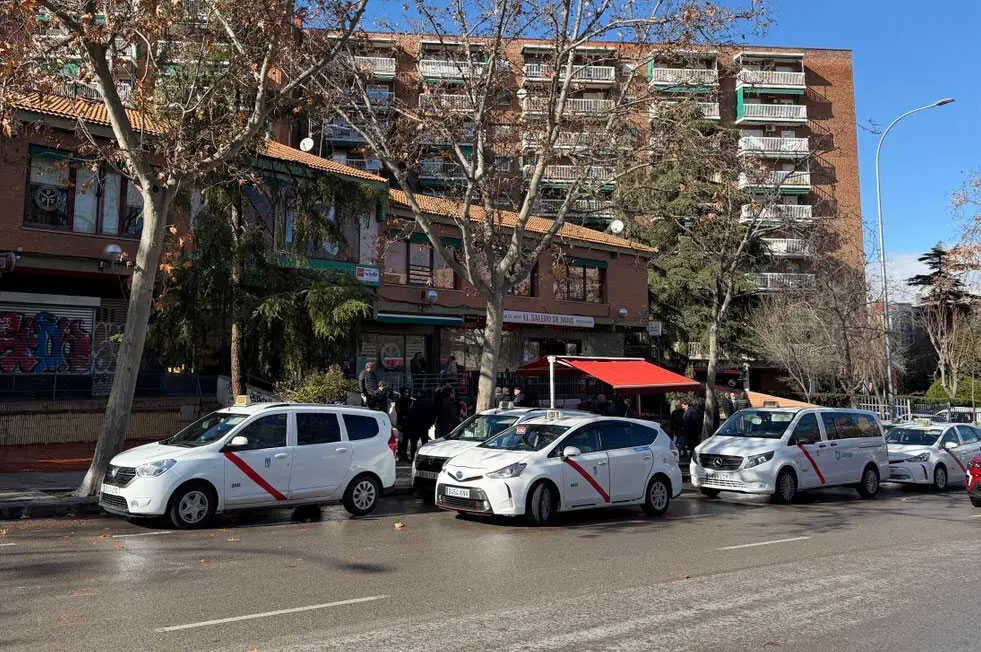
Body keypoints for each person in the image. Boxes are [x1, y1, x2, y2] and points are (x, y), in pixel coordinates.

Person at [406, 390, 437, 460]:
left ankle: (412, 457)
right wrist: (430, 423)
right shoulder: (429, 403)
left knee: (413, 443)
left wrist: (409, 425)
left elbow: (410, 414)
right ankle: (424, 458)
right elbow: (433, 414)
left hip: (415, 426)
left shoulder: (414, 403)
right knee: (424, 443)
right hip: (424, 426)